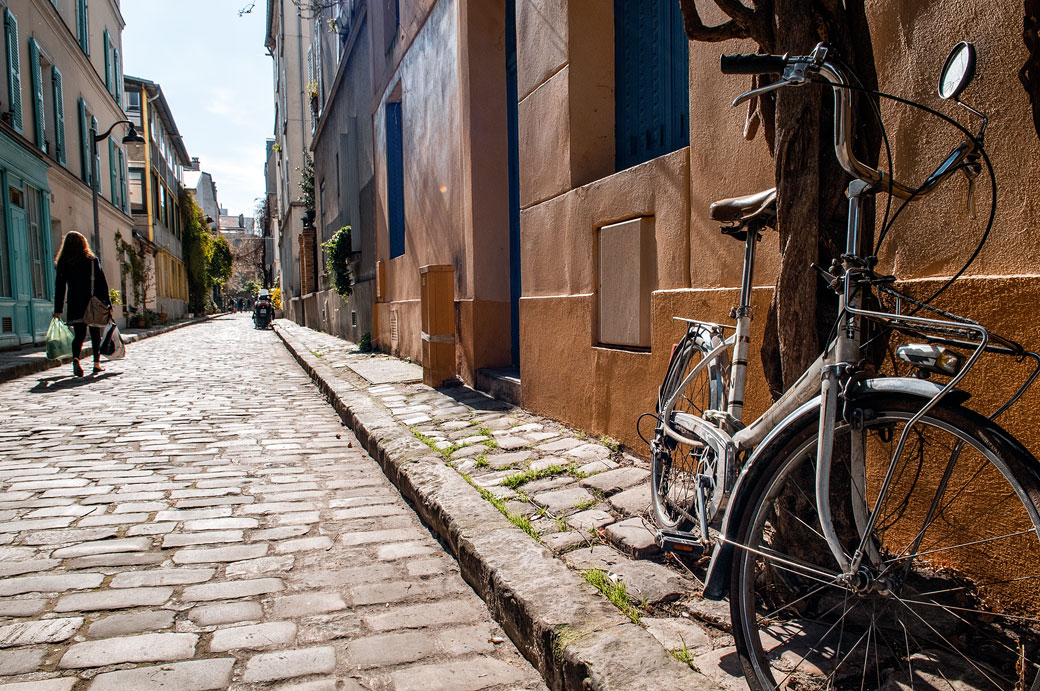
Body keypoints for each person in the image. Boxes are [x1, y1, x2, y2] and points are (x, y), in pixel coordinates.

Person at [53, 231, 112, 377]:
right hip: (93, 303)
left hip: (75, 303)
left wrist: (58, 310)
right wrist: (107, 304)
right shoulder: (92, 260)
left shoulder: (64, 262)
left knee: (79, 335)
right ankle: (96, 364)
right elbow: (102, 284)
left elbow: (60, 287)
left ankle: (76, 359)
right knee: (95, 334)